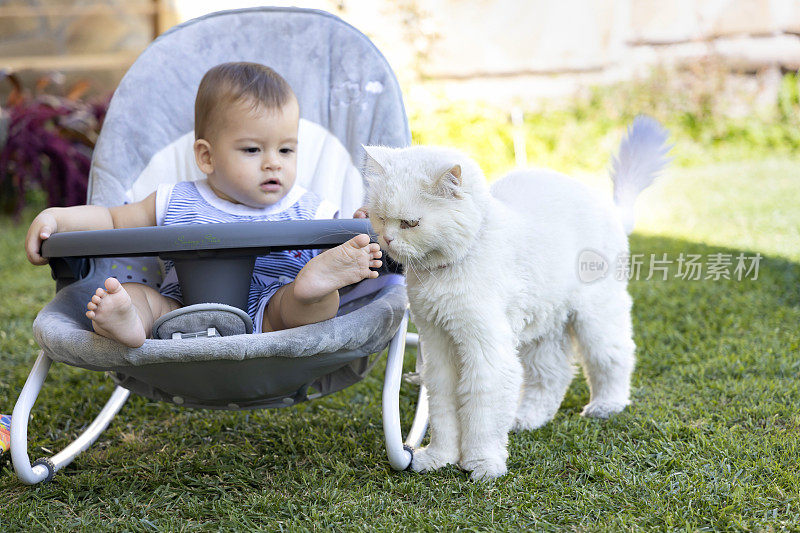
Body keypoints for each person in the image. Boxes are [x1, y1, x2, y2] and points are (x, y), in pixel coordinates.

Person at [24, 62, 382, 348]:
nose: (274, 162)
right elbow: (112, 219)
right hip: (180, 312)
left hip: (274, 315)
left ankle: (313, 286)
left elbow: (350, 238)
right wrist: (58, 216)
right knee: (135, 296)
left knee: (313, 302)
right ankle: (128, 320)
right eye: (252, 150)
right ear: (207, 157)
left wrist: (363, 226)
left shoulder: (309, 207)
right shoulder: (175, 199)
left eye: (286, 150)